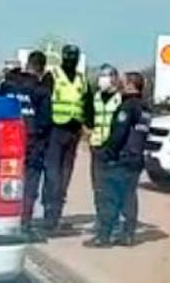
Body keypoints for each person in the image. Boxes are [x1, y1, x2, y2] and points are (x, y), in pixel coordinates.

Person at [84, 71, 151, 248]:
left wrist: (106, 152)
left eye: (123, 82)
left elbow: (119, 134)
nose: (119, 85)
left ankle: (104, 236)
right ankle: (128, 234)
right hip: (137, 158)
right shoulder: (145, 108)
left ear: (130, 85)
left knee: (109, 196)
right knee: (129, 196)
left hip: (122, 158)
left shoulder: (127, 107)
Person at [0, 51, 52, 228]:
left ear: (27, 65)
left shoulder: (8, 85)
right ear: (41, 70)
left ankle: (1, 220)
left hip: (5, 142)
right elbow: (45, 121)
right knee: (29, 184)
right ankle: (24, 223)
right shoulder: (41, 91)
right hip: (32, 144)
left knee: (2, 180)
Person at [42, 44, 93, 231]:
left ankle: (56, 216)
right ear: (63, 57)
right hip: (55, 130)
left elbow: (88, 107)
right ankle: (48, 214)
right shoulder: (52, 76)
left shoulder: (82, 80)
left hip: (73, 132)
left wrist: (91, 127)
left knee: (65, 176)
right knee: (53, 175)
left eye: (75, 56)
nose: (72, 59)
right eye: (69, 55)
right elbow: (44, 104)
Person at [88, 64, 123, 230]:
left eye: (106, 76)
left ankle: (114, 220)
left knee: (113, 187)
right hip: (97, 147)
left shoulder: (120, 99)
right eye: (101, 76)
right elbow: (89, 119)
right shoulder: (95, 97)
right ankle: (101, 219)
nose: (102, 79)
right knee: (98, 187)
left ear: (114, 79)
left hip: (114, 149)